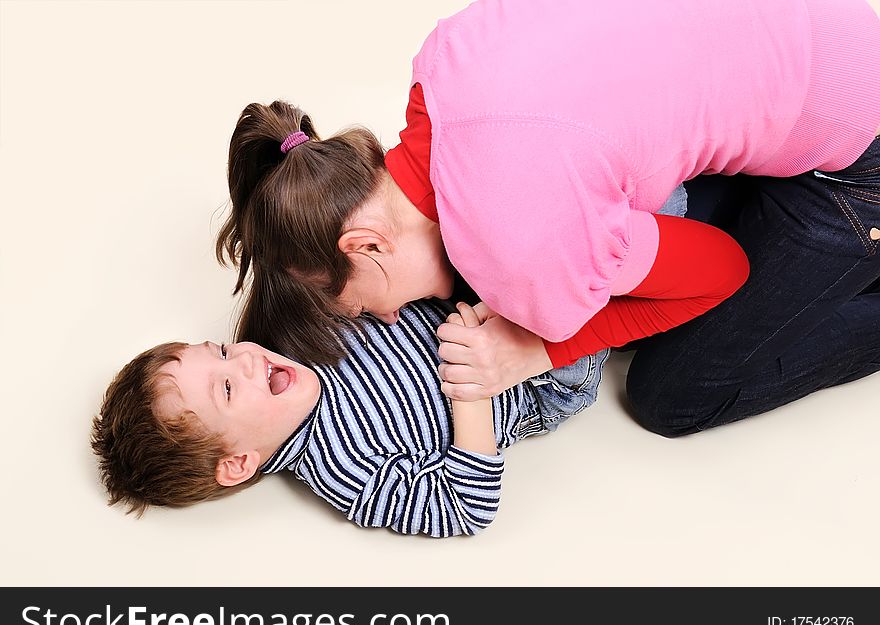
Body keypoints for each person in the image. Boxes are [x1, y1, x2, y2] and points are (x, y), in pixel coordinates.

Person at [216, 0, 880, 435]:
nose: (388, 319)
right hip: (822, 24)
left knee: (670, 393)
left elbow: (721, 269)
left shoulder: (521, 253)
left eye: (357, 307)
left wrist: (539, 349)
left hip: (858, 154)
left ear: (362, 243)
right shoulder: (441, 62)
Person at [91, 297, 608, 538]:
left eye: (223, 351)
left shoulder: (297, 344)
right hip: (538, 378)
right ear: (238, 463)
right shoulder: (345, 470)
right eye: (226, 387)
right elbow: (465, 508)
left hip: (483, 299)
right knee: (590, 284)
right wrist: (469, 381)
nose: (246, 359)